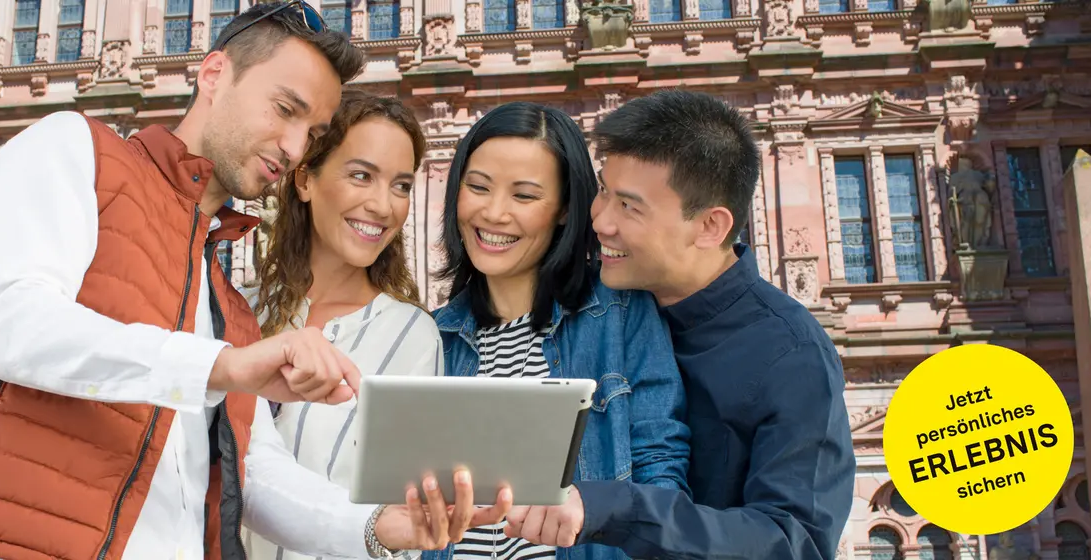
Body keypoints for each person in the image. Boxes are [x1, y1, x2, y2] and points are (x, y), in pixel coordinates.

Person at [0, 3, 508, 560]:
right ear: (214, 74)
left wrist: (377, 527)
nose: (293, 146)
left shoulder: (227, 303)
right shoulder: (75, 150)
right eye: (284, 109)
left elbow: (255, 469)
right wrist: (221, 365)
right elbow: (10, 327)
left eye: (312, 133)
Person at [503, 90, 855, 559]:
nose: (600, 222)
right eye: (603, 191)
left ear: (710, 226)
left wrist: (618, 509)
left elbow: (793, 543)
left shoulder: (792, 354)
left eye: (629, 206)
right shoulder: (584, 305)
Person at [424, 102, 692, 560]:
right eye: (478, 187)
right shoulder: (436, 337)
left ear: (566, 209)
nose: (494, 213)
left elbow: (660, 477)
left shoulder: (620, 314)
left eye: (524, 196)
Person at [242, 89, 465, 560]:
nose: (384, 205)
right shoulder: (238, 311)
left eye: (401, 186)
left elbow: (403, 520)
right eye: (362, 175)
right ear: (305, 179)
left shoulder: (411, 335)